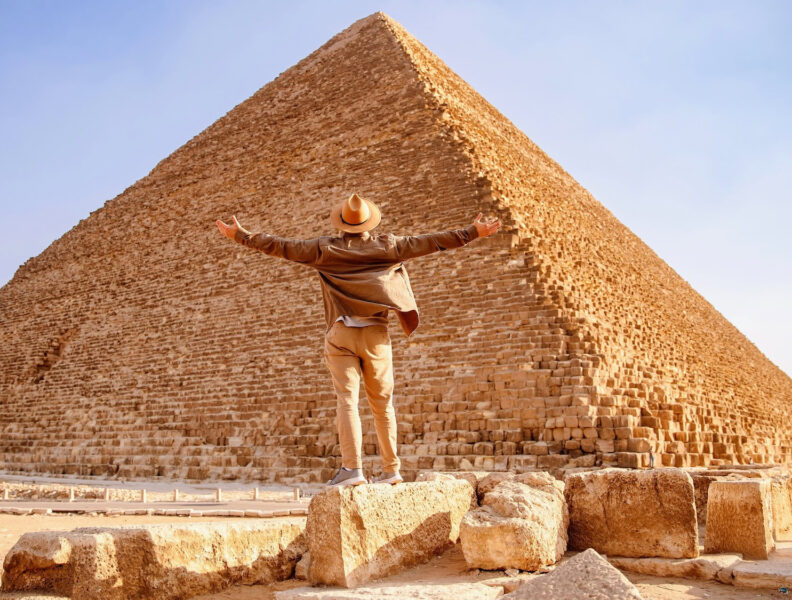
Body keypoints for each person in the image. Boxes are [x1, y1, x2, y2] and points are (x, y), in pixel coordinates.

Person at [217, 193, 501, 486]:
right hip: (376, 336)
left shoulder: (323, 249)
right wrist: (472, 232)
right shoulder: (389, 246)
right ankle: (391, 470)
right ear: (369, 222)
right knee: (383, 405)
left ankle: (352, 470)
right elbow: (432, 242)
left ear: (341, 223)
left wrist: (241, 235)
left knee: (347, 401)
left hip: (341, 334)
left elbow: (280, 246)